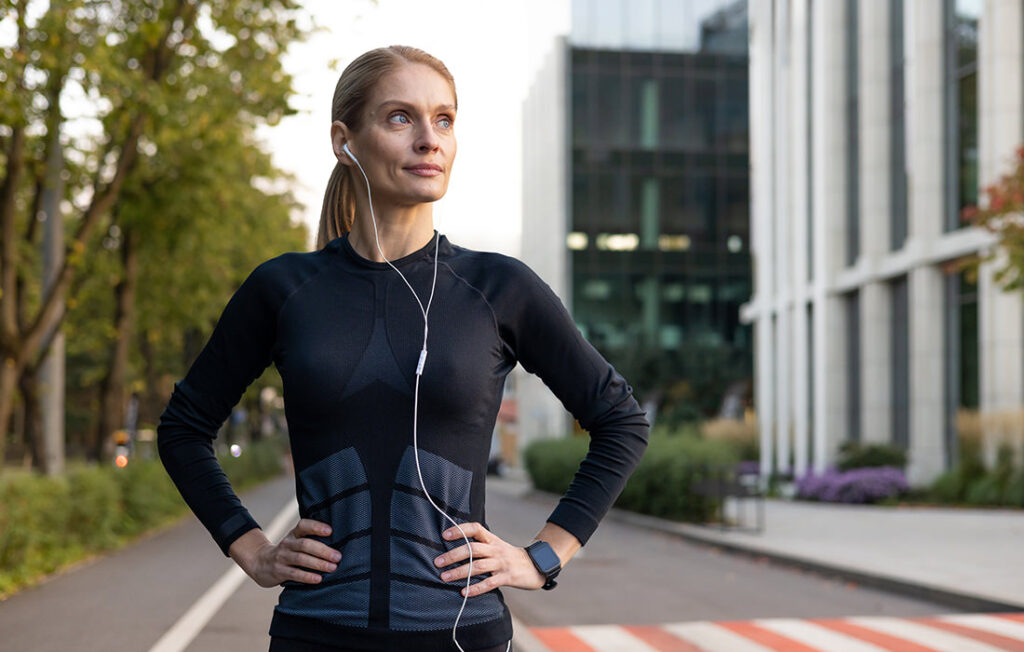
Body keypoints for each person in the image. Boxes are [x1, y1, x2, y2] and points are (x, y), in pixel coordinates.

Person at [156, 45, 651, 652]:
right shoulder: (285, 289)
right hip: (315, 635)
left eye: (443, 119)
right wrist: (252, 548)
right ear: (345, 140)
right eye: (400, 118)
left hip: (462, 636)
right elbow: (183, 427)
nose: (429, 139)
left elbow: (620, 420)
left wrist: (544, 555)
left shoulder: (499, 288)